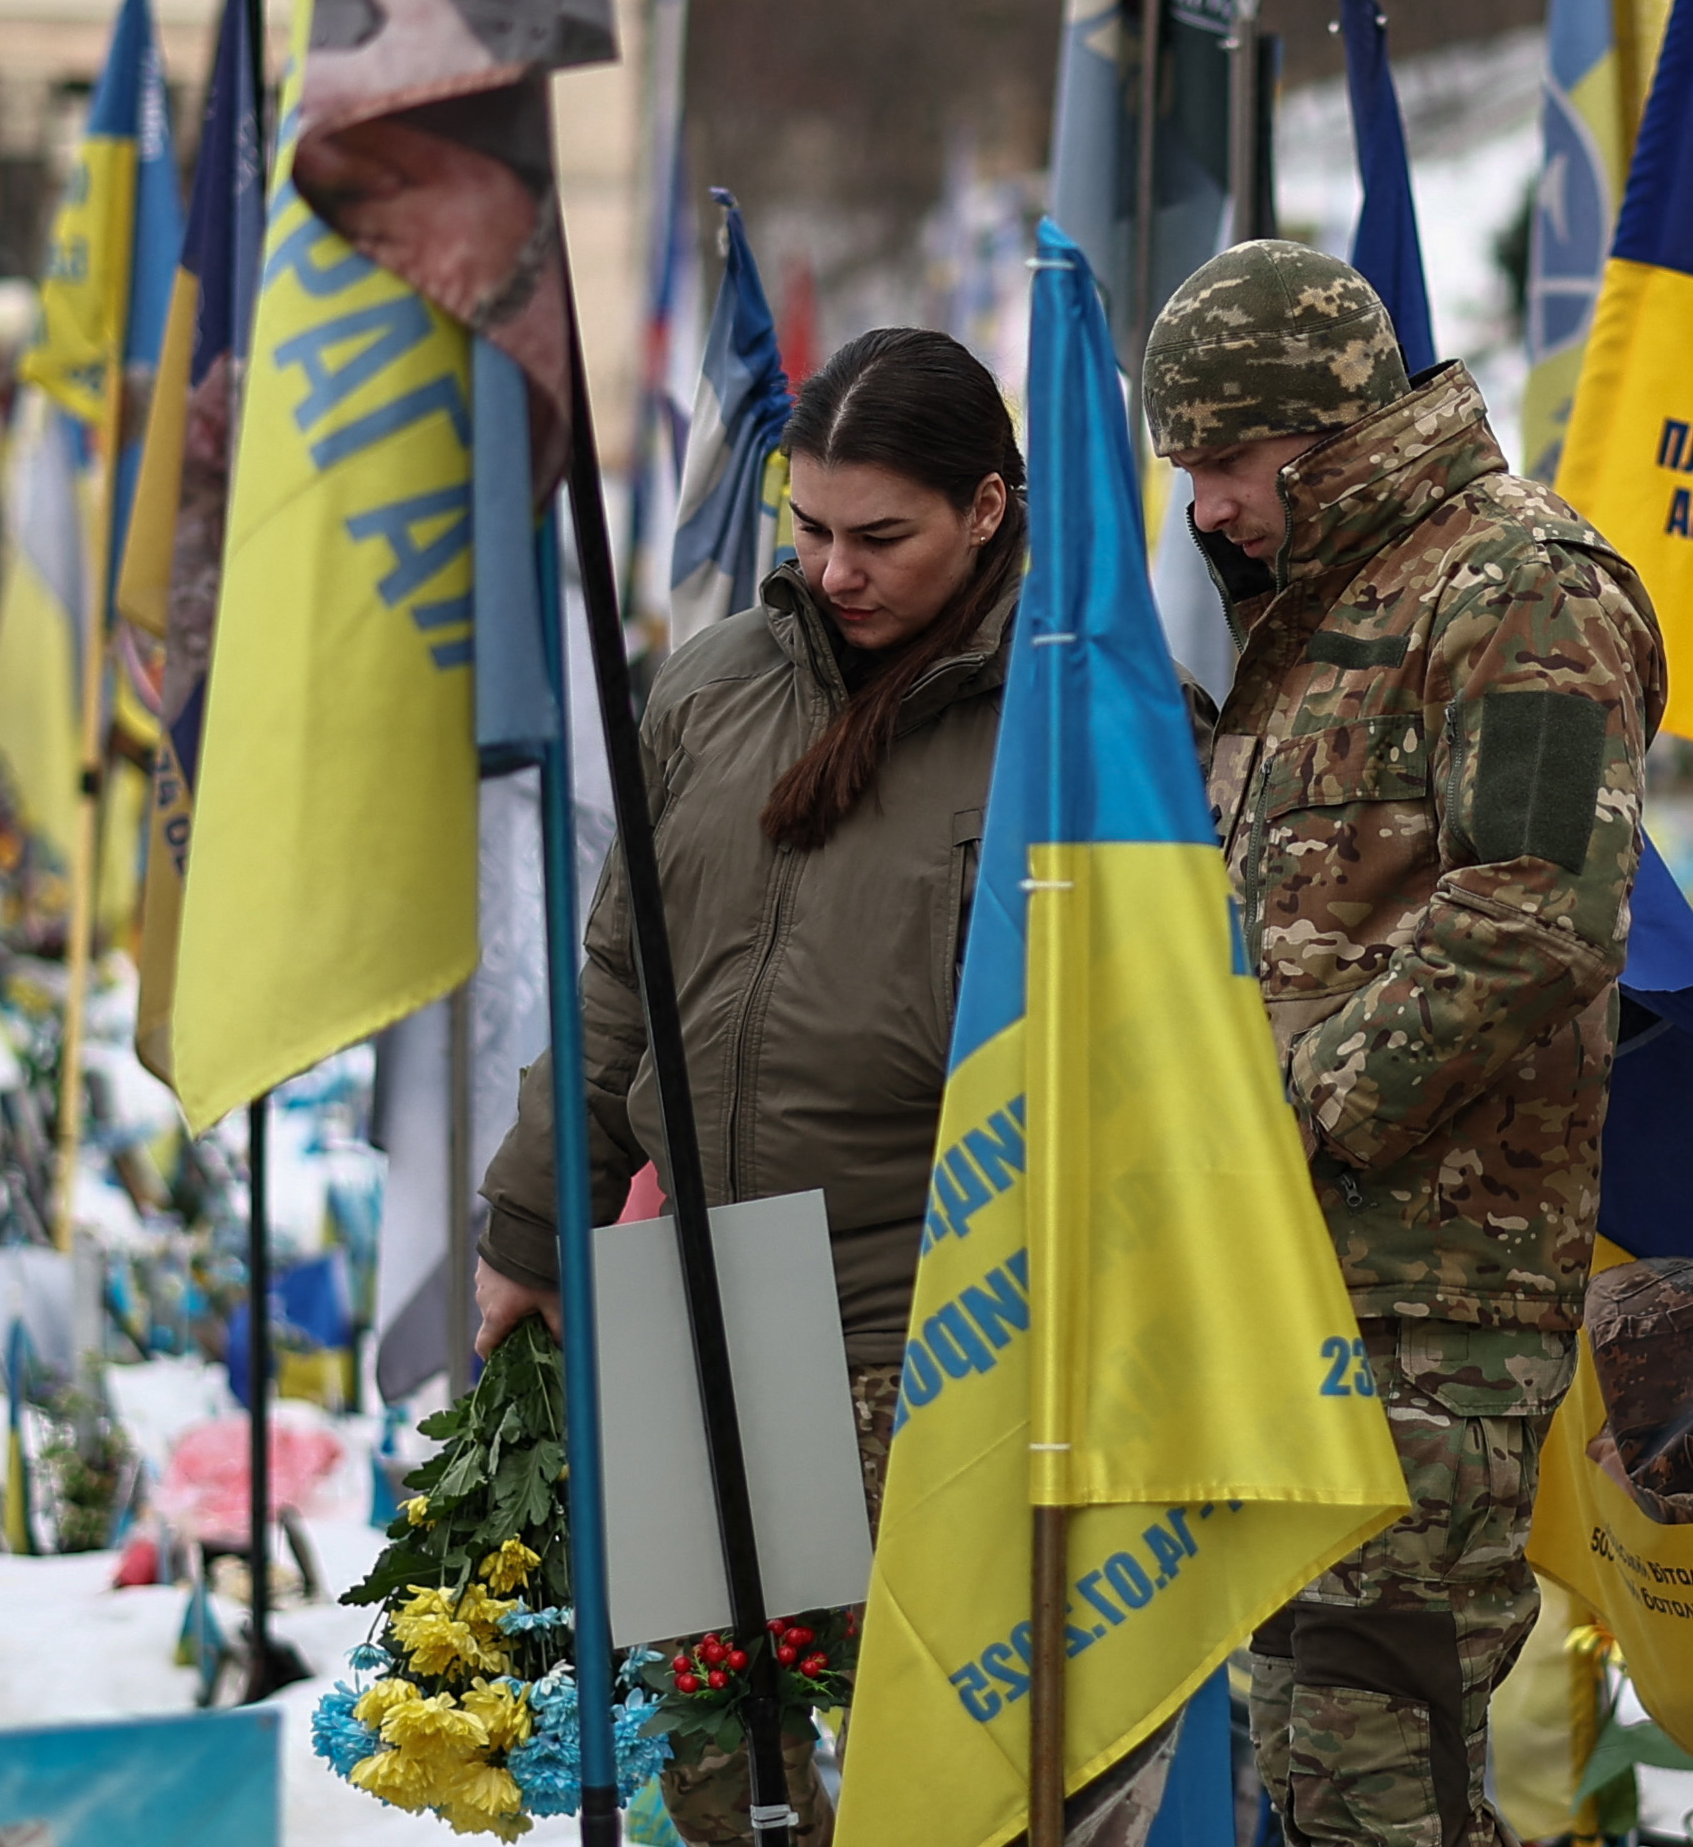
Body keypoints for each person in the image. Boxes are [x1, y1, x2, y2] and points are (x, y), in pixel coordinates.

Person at [470, 326, 1183, 1847]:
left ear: (990, 508)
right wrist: (532, 1228)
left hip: (940, 1322)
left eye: (880, 537)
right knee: (718, 1772)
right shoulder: (717, 684)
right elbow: (619, 983)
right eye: (807, 528)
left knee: (960, 1789)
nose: (833, 569)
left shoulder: (1087, 715)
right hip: (706, 1304)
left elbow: (1158, 1048)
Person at [1142, 240, 1666, 1847]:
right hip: (1305, 1287)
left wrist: (1281, 1117)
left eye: (1222, 464)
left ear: (1318, 431)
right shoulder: (1320, 610)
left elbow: (1533, 913)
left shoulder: (1513, 582)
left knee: (1383, 1773)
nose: (1204, 509)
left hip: (1432, 1304)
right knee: (1319, 1768)